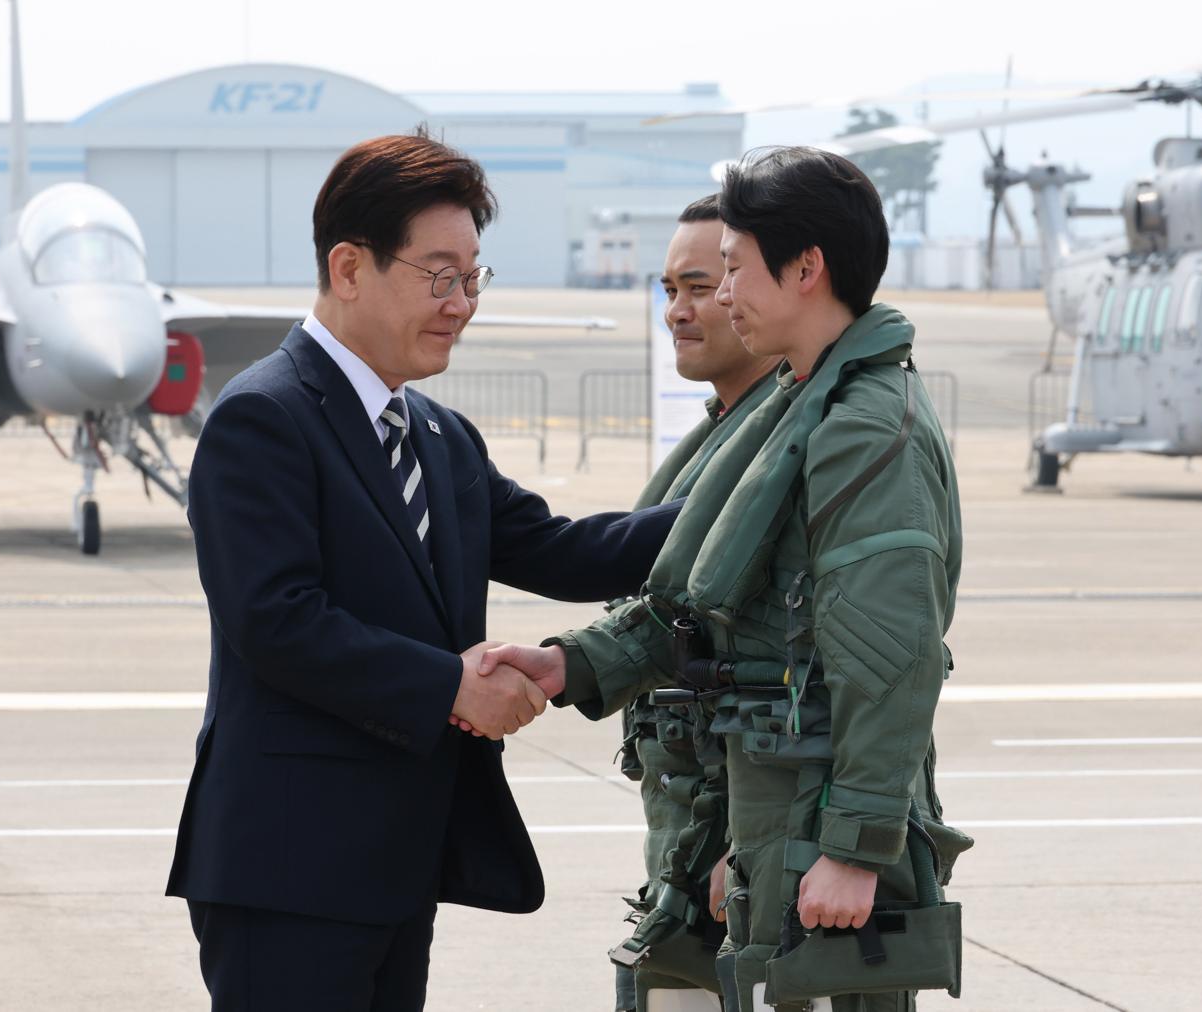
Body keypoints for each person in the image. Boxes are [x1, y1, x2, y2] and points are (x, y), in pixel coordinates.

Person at [165, 129, 681, 1012]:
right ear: (349, 267)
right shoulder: (264, 417)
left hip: (397, 866)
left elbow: (564, 550)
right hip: (287, 865)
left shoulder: (438, 435)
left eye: (473, 279)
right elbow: (276, 620)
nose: (461, 305)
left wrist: (750, 493)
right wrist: (451, 686)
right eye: (440, 277)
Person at [484, 146, 971, 1011]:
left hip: (812, 849)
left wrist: (854, 851)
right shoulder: (796, 408)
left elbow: (892, 657)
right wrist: (571, 665)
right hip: (765, 822)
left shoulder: (863, 429)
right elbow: (707, 607)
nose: (723, 294)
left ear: (806, 269)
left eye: (735, 269)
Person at [612, 193, 782, 1011]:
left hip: (742, 864)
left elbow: (821, 669)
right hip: (691, 849)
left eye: (702, 286)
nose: (677, 311)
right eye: (668, 290)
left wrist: (752, 848)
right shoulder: (725, 435)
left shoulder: (796, 448)